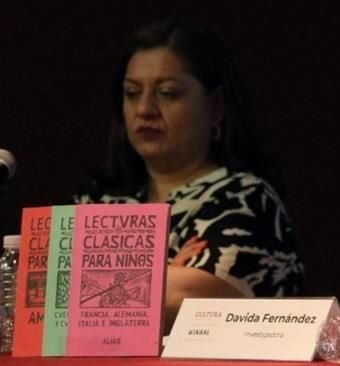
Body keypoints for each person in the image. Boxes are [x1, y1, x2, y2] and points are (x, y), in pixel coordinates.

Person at [77, 17, 304, 328]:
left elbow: (191, 301)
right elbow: (43, 295)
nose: (145, 109)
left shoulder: (244, 201)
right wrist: (162, 273)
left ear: (215, 106)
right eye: (132, 93)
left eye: (168, 93)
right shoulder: (97, 201)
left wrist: (95, 282)